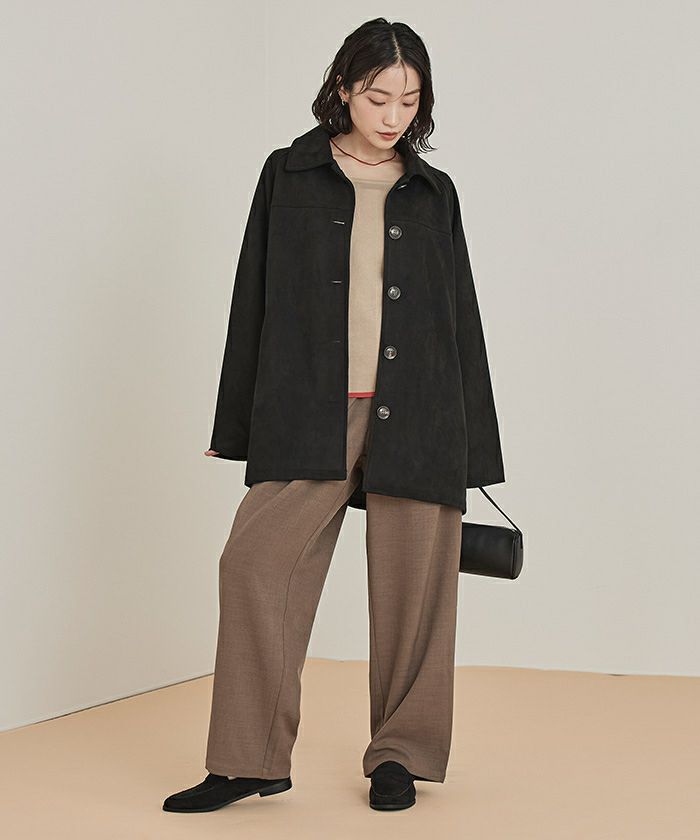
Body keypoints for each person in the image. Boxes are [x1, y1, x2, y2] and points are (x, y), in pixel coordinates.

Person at [163, 16, 505, 815]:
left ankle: (401, 756)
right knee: (254, 566)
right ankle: (247, 759)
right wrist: (236, 426)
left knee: (415, 594)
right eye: (379, 97)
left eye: (409, 101)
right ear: (345, 89)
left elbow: (461, 318)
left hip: (419, 413)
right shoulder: (288, 174)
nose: (393, 115)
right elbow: (253, 298)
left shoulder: (433, 192)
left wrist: (477, 450)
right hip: (310, 410)